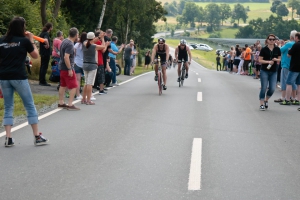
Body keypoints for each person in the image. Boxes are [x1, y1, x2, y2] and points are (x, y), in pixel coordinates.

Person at [0, 17, 49, 147]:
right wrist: (31, 40)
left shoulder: (1, 41)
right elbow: (35, 55)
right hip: (19, 76)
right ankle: (37, 136)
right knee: (29, 105)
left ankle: (8, 138)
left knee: (8, 106)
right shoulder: (24, 41)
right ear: (22, 27)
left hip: (4, 77)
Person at [58, 27, 80, 110]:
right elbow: (66, 57)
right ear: (76, 35)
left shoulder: (64, 41)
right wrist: (70, 69)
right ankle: (70, 104)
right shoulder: (70, 44)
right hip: (67, 68)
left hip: (61, 66)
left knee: (63, 85)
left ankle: (61, 102)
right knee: (74, 85)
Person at [258, 34, 281, 111]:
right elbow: (260, 60)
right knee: (264, 87)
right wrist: (268, 61)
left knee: (272, 88)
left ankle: (266, 100)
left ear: (275, 40)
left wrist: (275, 60)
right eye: (270, 39)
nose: (272, 41)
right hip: (264, 70)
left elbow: (279, 59)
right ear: (267, 40)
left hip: (273, 71)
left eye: (273, 39)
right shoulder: (264, 49)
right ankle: (261, 104)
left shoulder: (277, 49)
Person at [275, 30, 297, 104]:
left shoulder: (288, 44)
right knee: (293, 82)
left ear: (291, 36)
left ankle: (283, 97)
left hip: (286, 64)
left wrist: (279, 45)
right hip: (294, 65)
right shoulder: (296, 44)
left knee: (285, 81)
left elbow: (279, 50)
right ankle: (293, 97)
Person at [81, 32, 104, 104]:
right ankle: (88, 100)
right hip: (92, 65)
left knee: (86, 82)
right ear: (93, 38)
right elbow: (103, 47)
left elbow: (91, 41)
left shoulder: (84, 44)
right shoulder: (94, 46)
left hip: (85, 64)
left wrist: (99, 37)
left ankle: (83, 99)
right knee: (90, 84)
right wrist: (102, 39)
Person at [280, 32, 300, 109]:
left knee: (289, 83)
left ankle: (287, 99)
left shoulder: (296, 45)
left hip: (294, 66)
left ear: (297, 37)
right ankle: (298, 100)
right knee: (299, 84)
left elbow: (289, 54)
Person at [74, 32, 87, 99]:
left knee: (77, 80)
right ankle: (86, 94)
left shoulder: (77, 45)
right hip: (84, 63)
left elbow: (74, 53)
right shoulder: (87, 45)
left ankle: (78, 94)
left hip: (77, 62)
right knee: (86, 80)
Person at [95, 30, 107, 95]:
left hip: (95, 61)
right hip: (99, 60)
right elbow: (103, 50)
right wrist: (106, 44)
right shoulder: (98, 41)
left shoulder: (94, 41)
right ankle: (101, 89)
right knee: (101, 75)